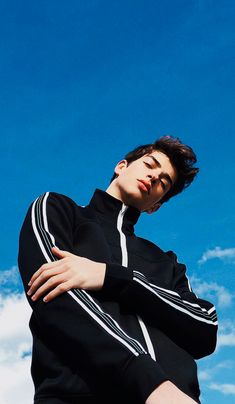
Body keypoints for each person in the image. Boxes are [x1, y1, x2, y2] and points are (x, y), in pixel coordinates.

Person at [18, 136, 218, 404]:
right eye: (150, 164)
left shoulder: (166, 263)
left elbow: (204, 328)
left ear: (155, 207)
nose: (154, 177)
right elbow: (53, 296)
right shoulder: (57, 209)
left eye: (164, 182)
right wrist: (151, 384)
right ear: (121, 166)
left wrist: (111, 278)